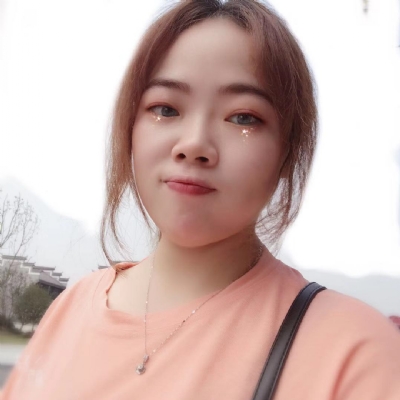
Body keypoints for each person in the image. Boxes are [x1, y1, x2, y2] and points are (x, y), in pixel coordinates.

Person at [2, 1, 400, 399]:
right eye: (165, 109)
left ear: (287, 151)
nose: (193, 144)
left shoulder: (355, 354)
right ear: (130, 129)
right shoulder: (71, 307)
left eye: (243, 117)